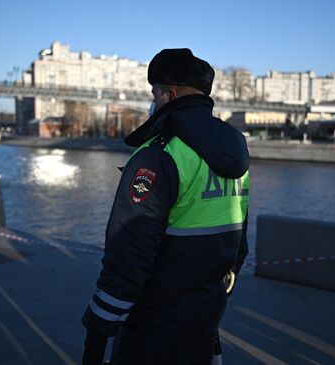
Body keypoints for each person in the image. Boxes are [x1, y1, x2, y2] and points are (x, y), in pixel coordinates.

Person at [82, 48, 250, 365]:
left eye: (154, 92)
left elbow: (129, 251)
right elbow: (239, 238)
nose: (152, 99)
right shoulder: (235, 153)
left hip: (155, 325)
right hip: (206, 314)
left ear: (168, 95)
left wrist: (101, 321)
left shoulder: (159, 154)